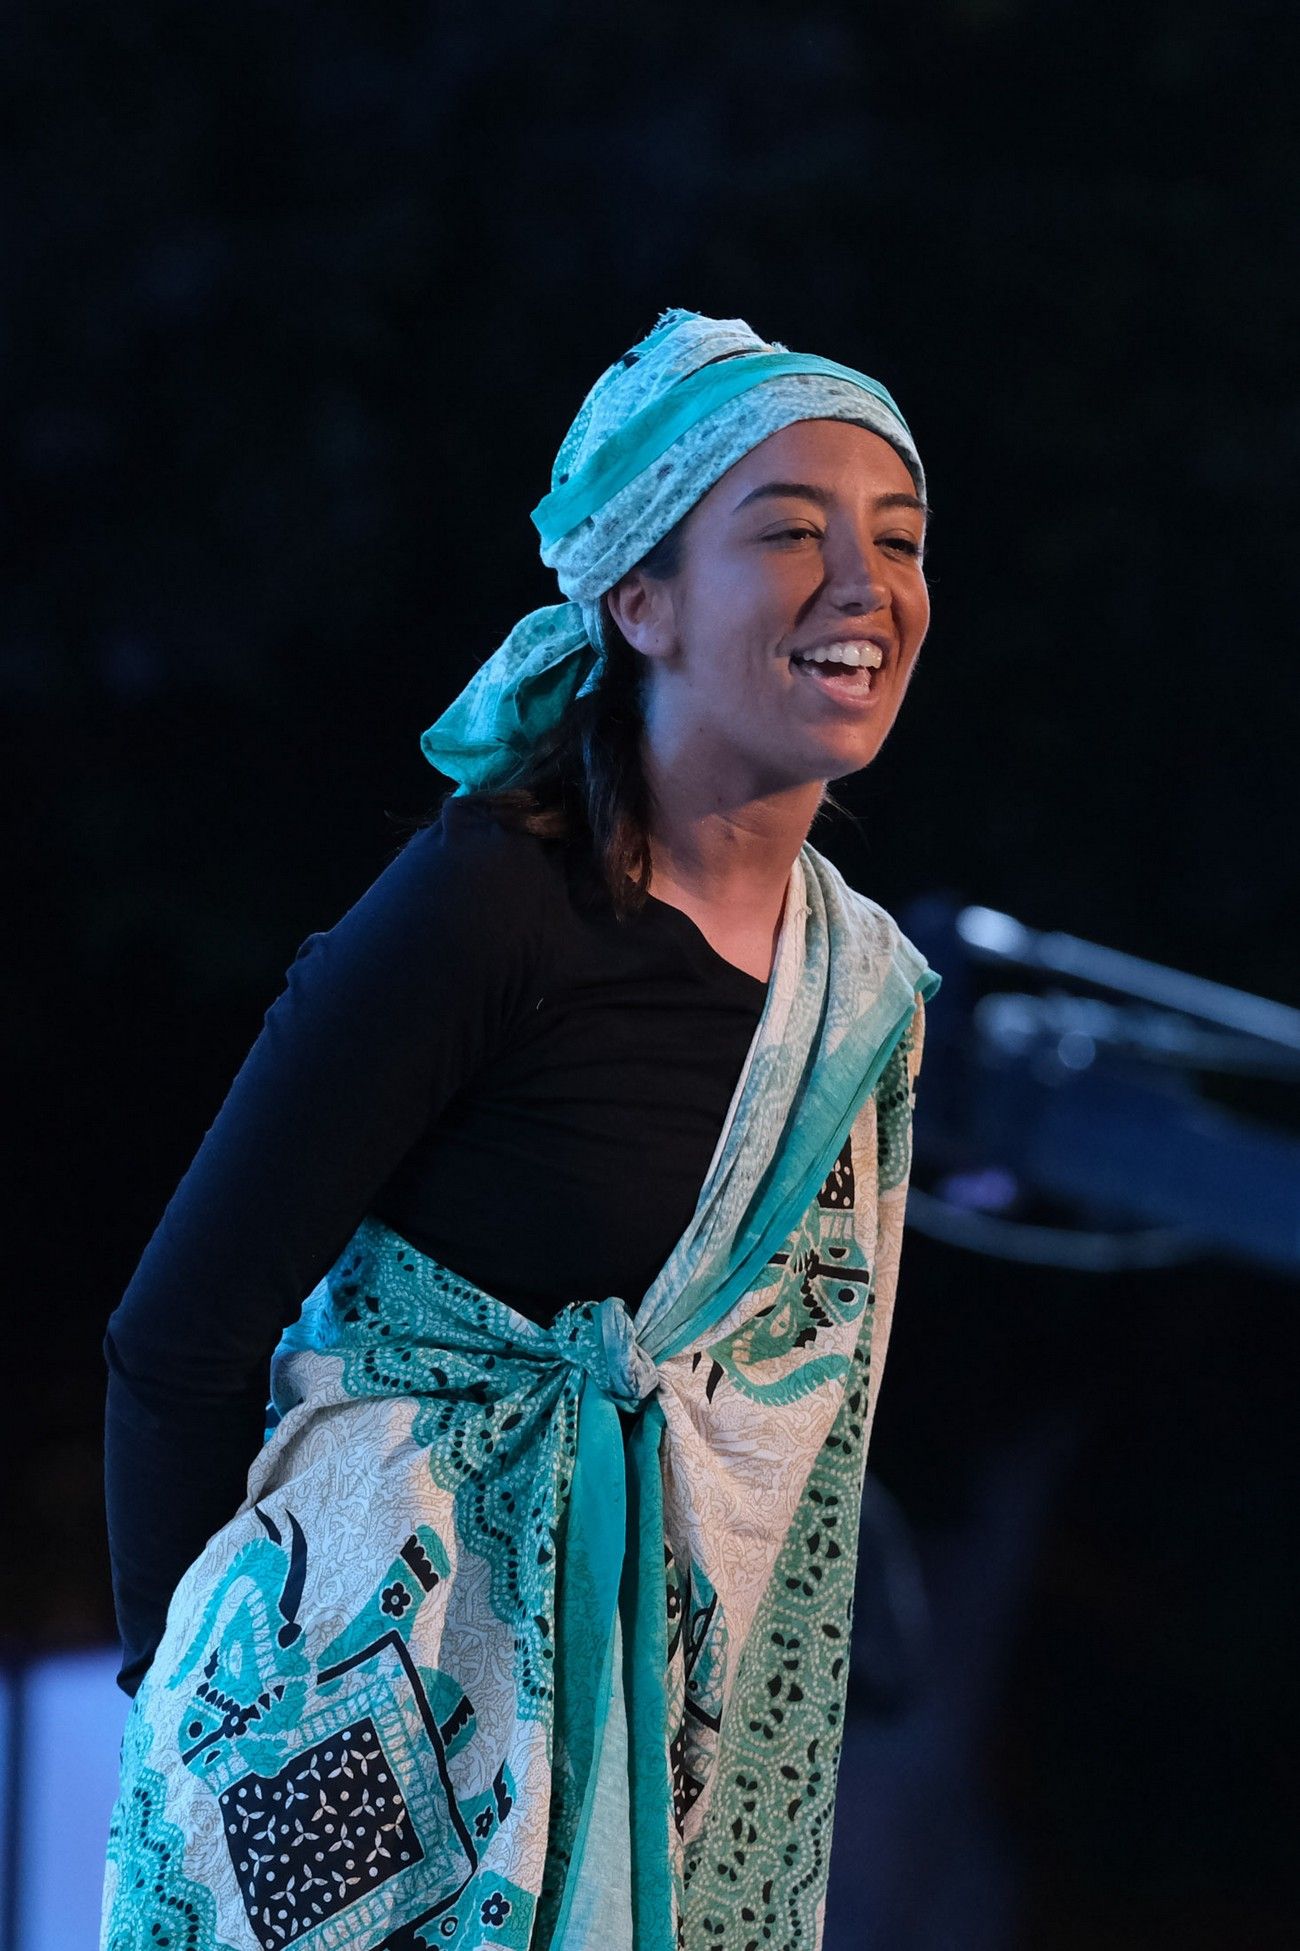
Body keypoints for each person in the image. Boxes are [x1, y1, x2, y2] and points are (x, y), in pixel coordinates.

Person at [100, 306, 941, 1951]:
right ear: (639, 599)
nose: (866, 587)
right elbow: (176, 1339)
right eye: (789, 533)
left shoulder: (857, 1002)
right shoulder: (492, 903)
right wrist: (200, 1728)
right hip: (351, 1722)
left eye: (899, 541)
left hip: (637, 1748)